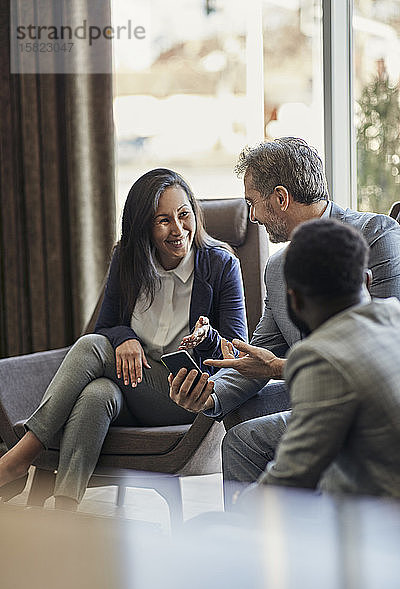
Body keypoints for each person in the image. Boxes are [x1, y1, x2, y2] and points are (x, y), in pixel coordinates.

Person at [0, 168, 247, 509]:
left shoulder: (220, 265)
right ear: (143, 226)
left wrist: (207, 338)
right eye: (163, 220)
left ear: (195, 213)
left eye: (184, 215)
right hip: (130, 388)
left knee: (90, 347)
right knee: (96, 395)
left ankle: (19, 458)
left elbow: (237, 349)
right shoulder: (127, 259)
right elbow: (106, 327)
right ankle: (65, 511)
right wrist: (125, 337)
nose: (178, 230)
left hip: (182, 397)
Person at [168, 137, 400, 491]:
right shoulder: (277, 269)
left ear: (280, 198)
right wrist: (208, 396)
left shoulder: (376, 237)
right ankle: (281, 530)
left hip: (370, 396)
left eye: (252, 203)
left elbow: (378, 351)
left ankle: (252, 532)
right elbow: (257, 355)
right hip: (308, 384)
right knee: (240, 412)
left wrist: (277, 367)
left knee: (243, 442)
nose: (252, 217)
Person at [224, 219, 400, 499]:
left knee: (215, 523)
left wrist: (244, 502)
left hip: (378, 523)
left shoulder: (320, 357)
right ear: (366, 279)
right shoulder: (394, 314)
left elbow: (293, 477)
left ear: (294, 300)